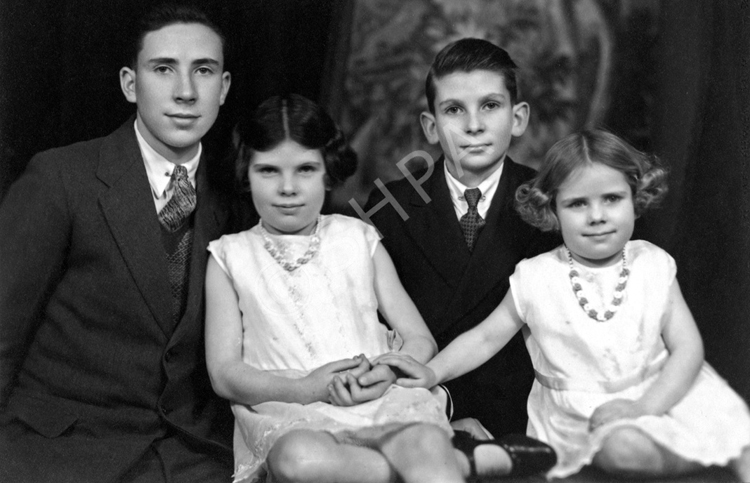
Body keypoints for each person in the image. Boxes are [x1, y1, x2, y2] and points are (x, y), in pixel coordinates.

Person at [204, 94, 556, 483]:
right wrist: (305, 388)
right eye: (268, 171)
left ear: (328, 172)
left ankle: (437, 460)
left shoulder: (358, 237)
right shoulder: (230, 256)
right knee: (298, 461)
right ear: (245, 172)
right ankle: (459, 460)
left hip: (381, 403)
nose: (288, 188)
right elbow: (224, 373)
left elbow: (418, 339)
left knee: (419, 441)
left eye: (305, 169)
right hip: (293, 413)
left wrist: (387, 373)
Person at [377, 129, 750, 480]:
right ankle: (707, 455)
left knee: (731, 430)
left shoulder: (651, 263)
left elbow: (688, 348)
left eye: (612, 199)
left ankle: (719, 451)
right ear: (552, 210)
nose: (597, 216)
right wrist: (433, 373)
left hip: (663, 393)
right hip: (579, 415)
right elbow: (485, 338)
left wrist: (644, 408)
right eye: (577, 204)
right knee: (623, 449)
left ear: (635, 199)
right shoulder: (538, 276)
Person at [0, 4, 235, 482]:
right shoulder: (62, 178)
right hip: (61, 451)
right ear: (131, 84)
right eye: (163, 69)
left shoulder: (238, 199)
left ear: (224, 88)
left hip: (188, 458)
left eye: (203, 71)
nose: (186, 92)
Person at [362, 38, 558, 439]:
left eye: (490, 105)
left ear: (518, 118)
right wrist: (439, 412)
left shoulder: (553, 206)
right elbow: (374, 324)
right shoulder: (392, 203)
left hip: (520, 419)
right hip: (416, 410)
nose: (473, 125)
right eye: (454, 110)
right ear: (431, 127)